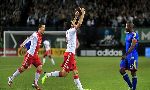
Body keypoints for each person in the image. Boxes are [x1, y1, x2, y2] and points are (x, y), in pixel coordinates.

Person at [41, 7, 85, 90]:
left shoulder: (68, 31)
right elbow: (79, 24)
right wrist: (82, 14)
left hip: (70, 54)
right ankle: (47, 75)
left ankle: (81, 89)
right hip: (69, 54)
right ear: (71, 25)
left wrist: (76, 16)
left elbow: (74, 23)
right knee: (63, 73)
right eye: (73, 22)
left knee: (75, 72)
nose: (74, 21)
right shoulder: (72, 31)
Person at [8, 24, 46, 90]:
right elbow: (29, 39)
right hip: (30, 55)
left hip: (35, 55)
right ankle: (11, 78)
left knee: (40, 67)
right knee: (23, 68)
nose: (44, 29)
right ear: (39, 28)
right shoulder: (35, 35)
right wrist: (23, 44)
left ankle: (35, 83)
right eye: (43, 27)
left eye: (44, 28)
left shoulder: (40, 36)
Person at [120, 21, 139, 90]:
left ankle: (134, 88)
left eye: (126, 26)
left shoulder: (134, 34)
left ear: (130, 27)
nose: (125, 27)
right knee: (121, 70)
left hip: (132, 55)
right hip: (127, 55)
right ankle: (131, 86)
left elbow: (133, 46)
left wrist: (125, 54)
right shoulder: (127, 34)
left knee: (133, 72)